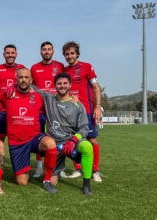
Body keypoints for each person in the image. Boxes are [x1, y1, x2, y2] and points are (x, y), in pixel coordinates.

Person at [0, 68, 58, 193]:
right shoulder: (7, 94)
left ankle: (47, 180)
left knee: (50, 143)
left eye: (26, 77)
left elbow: (59, 102)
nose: (23, 80)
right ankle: (25, 167)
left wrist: (73, 99)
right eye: (20, 77)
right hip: (17, 143)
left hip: (34, 138)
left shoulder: (39, 97)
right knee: (22, 182)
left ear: (31, 80)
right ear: (16, 80)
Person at [31, 72, 94, 195]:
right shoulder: (49, 98)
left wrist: (73, 140)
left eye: (65, 83)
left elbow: (84, 128)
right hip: (54, 145)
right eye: (59, 83)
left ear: (70, 85)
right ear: (55, 85)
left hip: (71, 142)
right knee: (52, 182)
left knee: (87, 147)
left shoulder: (78, 105)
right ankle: (58, 169)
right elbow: (32, 87)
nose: (62, 86)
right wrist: (12, 87)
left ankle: (86, 183)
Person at [63, 41, 102, 182]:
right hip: (70, 112)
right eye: (67, 54)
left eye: (72, 53)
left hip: (86, 110)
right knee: (72, 140)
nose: (69, 56)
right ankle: (79, 169)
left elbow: (96, 87)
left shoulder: (87, 67)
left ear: (77, 53)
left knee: (92, 140)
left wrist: (97, 107)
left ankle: (95, 171)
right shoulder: (64, 71)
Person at [30, 41, 64, 178]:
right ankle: (39, 167)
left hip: (55, 109)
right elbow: (31, 88)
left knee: (58, 137)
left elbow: (65, 84)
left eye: (49, 49)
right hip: (39, 110)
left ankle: (58, 168)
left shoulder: (60, 66)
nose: (47, 52)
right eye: (44, 49)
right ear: (40, 52)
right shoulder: (34, 67)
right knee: (40, 137)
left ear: (53, 51)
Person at [0, 44, 25, 140]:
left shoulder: (22, 68)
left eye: (12, 53)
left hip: (16, 107)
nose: (10, 55)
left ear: (16, 54)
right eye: (7, 53)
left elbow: (28, 83)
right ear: (4, 54)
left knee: (17, 136)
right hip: (1, 108)